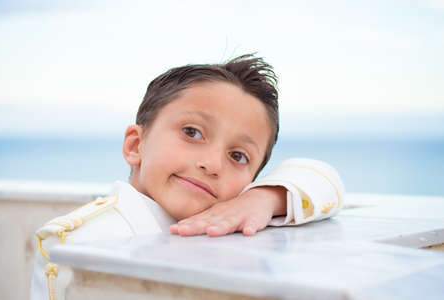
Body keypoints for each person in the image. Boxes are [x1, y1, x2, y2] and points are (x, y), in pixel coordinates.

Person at [30, 54, 345, 300]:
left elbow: (326, 179)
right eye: (192, 132)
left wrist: (265, 197)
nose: (212, 165)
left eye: (238, 156)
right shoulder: (82, 238)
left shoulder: (234, 217)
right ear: (136, 145)